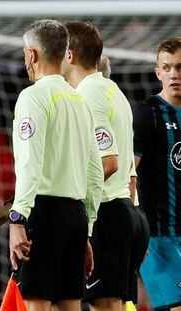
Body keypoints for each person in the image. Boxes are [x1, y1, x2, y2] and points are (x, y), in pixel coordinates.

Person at [8, 20, 104, 311]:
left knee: (37, 304)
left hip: (43, 214)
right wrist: (86, 229)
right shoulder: (80, 101)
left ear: (32, 54)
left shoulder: (33, 97)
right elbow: (95, 173)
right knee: (69, 305)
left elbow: (29, 162)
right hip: (75, 215)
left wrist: (17, 219)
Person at [62, 21, 149, 310]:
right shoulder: (112, 91)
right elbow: (128, 172)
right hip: (124, 210)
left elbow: (108, 163)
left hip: (108, 212)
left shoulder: (90, 95)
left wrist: (72, 198)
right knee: (118, 305)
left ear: (69, 55)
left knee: (106, 305)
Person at [133, 37, 181, 311]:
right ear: (158, 72)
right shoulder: (147, 113)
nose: (174, 74)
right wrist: (134, 227)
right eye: (168, 67)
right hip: (158, 237)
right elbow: (129, 172)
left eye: (180, 67)